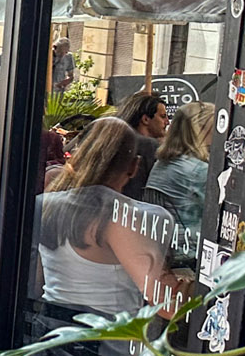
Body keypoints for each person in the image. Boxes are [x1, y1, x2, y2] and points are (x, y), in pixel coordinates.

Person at [36, 117, 179, 316]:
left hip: (51, 327)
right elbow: (166, 305)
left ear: (75, 158)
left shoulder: (45, 204)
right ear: (134, 166)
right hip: (107, 337)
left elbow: (37, 280)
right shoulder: (130, 217)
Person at [144, 101, 217, 261]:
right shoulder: (198, 171)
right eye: (215, 126)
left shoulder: (163, 163)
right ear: (201, 129)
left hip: (162, 252)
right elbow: (219, 214)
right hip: (189, 257)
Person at [114, 91, 168, 198]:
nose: (167, 122)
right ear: (146, 119)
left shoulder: (116, 138)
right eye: (163, 116)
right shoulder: (149, 146)